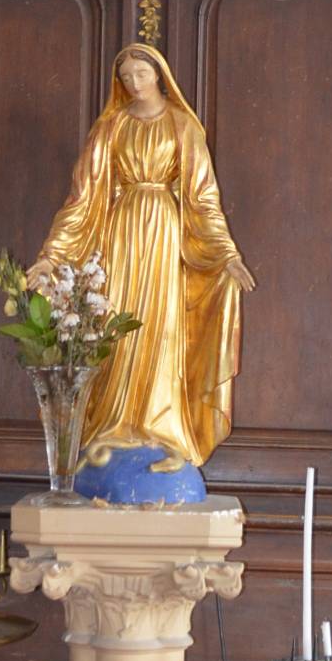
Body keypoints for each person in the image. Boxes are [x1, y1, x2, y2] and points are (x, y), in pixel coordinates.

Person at [30, 42, 255, 474]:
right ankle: (111, 426)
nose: (134, 83)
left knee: (161, 329)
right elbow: (81, 199)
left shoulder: (182, 126)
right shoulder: (110, 127)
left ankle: (161, 428)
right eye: (127, 76)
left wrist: (225, 255)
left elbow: (203, 199)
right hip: (120, 237)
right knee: (115, 329)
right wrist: (50, 257)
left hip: (165, 238)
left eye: (142, 74)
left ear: (159, 74)